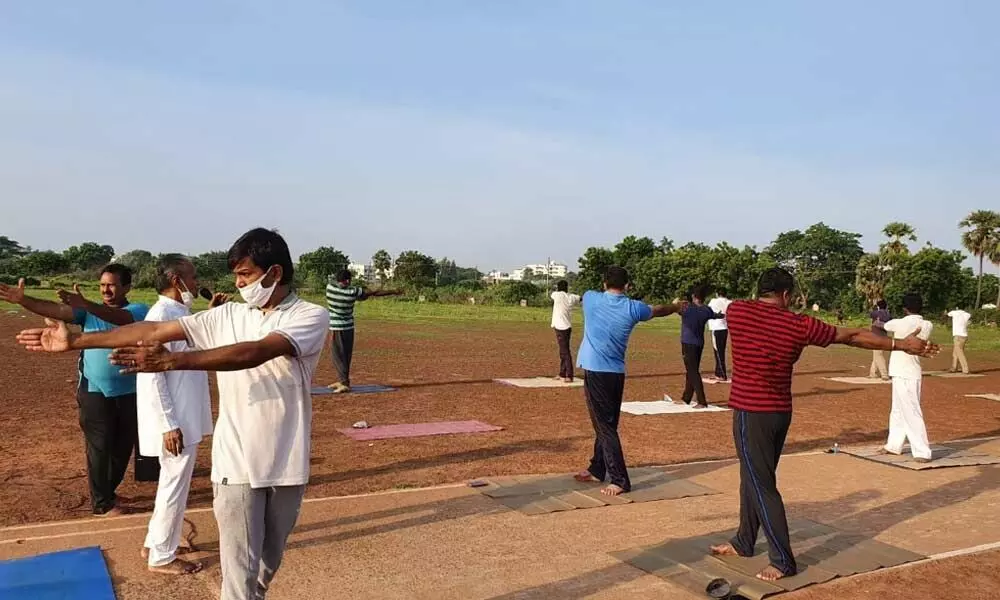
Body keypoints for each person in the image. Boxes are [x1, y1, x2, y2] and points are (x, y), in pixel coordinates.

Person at [17, 228, 328, 600]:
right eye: (236, 275)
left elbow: (255, 351)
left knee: (265, 563)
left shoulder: (310, 316)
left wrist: (174, 360)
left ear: (274, 273)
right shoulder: (228, 314)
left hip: (286, 459)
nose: (239, 283)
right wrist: (79, 341)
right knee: (239, 573)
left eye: (245, 275)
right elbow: (153, 329)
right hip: (237, 461)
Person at [708, 268, 937, 582]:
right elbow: (853, 335)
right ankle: (744, 541)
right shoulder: (800, 324)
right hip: (778, 414)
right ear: (786, 295)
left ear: (760, 290)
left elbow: (745, 310)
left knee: (761, 484)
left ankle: (782, 561)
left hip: (751, 414)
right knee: (754, 477)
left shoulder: (738, 311)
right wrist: (901, 346)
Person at [0, 265, 149, 516]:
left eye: (112, 285)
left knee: (122, 447)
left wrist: (88, 305)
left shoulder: (138, 310)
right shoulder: (87, 313)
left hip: (130, 391)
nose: (106, 290)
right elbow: (55, 309)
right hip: (95, 390)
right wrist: (24, 300)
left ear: (127, 287)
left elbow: (120, 320)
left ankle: (108, 491)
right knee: (99, 445)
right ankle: (102, 503)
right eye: (102, 285)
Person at [138, 255, 227, 575]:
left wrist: (212, 314)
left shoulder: (178, 312)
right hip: (174, 421)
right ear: (177, 281)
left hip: (184, 415)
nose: (196, 283)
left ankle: (157, 540)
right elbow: (150, 375)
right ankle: (162, 555)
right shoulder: (161, 316)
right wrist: (168, 424)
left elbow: (193, 341)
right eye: (192, 277)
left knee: (173, 483)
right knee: (174, 484)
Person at [573, 266, 684, 496]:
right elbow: (658, 310)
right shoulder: (634, 308)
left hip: (596, 371)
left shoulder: (592, 299)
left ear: (604, 283)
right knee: (606, 423)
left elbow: (586, 297)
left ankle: (619, 479)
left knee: (604, 426)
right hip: (616, 373)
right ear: (627, 286)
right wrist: (676, 307)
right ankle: (597, 467)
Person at [324, 269, 402, 393]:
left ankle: (344, 382)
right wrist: (393, 291)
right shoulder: (352, 292)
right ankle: (343, 380)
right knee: (345, 355)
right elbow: (372, 293)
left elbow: (335, 283)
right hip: (348, 327)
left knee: (338, 355)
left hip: (337, 328)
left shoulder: (330, 289)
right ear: (347, 281)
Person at [882, 293, 933, 462]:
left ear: (905, 308)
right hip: (906, 371)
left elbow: (887, 325)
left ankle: (922, 451)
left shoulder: (900, 323)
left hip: (905, 372)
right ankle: (894, 445)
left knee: (911, 410)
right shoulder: (927, 324)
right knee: (897, 409)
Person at [679, 285, 725, 408]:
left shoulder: (687, 308)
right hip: (699, 343)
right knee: (691, 370)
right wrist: (721, 315)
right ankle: (686, 398)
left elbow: (674, 306)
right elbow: (716, 315)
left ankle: (702, 401)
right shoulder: (706, 310)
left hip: (688, 343)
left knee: (693, 371)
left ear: (693, 296)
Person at [550, 280, 581, 382]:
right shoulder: (571, 297)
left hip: (560, 327)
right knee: (563, 351)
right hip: (567, 327)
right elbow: (580, 298)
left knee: (565, 352)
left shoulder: (556, 295)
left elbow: (552, 294)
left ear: (558, 287)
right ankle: (562, 373)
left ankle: (569, 375)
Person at [707, 287, 732, 382]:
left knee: (718, 352)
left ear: (717, 293)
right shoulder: (729, 302)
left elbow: (709, 310)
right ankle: (718, 373)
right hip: (724, 328)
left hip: (716, 328)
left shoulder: (713, 301)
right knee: (720, 351)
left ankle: (722, 374)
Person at [869, 300, 891, 380]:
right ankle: (872, 373)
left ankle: (884, 374)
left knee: (878, 355)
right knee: (877, 354)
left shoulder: (876, 313)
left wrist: (874, 307)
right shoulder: (888, 314)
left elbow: (871, 314)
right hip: (884, 336)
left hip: (875, 337)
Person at [947, 307, 972, 374]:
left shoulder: (954, 312)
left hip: (957, 335)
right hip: (964, 335)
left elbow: (948, 314)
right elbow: (969, 318)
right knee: (955, 353)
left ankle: (965, 369)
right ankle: (954, 367)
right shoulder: (967, 314)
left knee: (959, 352)